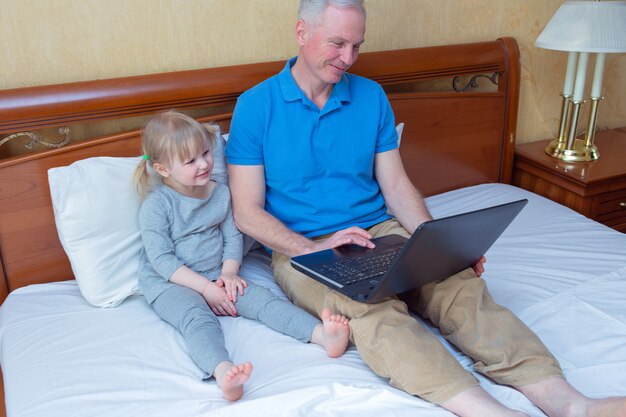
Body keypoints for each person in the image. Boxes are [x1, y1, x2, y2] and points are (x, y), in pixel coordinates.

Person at [225, 1, 626, 416]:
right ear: (302, 33)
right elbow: (247, 213)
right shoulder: (257, 106)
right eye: (338, 43)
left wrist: (441, 246)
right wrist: (312, 250)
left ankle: (570, 403)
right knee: (369, 311)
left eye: (357, 45)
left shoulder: (370, 96)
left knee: (460, 290)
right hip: (305, 248)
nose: (348, 58)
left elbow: (396, 184)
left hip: (379, 231)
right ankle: (488, 410)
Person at [133, 110, 351, 402]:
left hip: (218, 273)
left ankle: (323, 336)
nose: (204, 164)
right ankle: (223, 372)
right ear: (162, 169)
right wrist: (206, 290)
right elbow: (162, 260)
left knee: (263, 301)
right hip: (171, 282)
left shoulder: (220, 193)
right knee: (197, 320)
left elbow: (233, 235)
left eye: (206, 154)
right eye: (191, 161)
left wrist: (229, 273)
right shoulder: (157, 206)